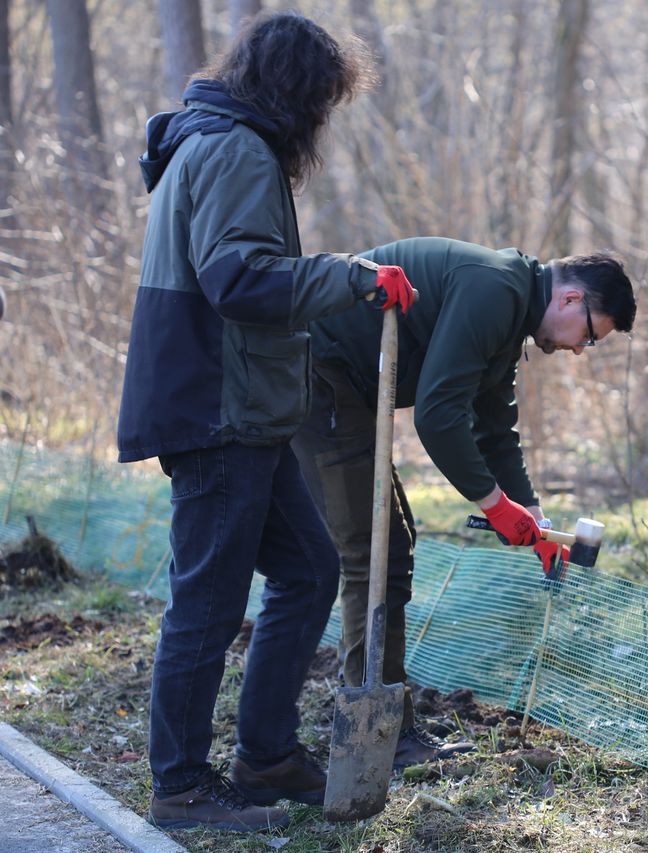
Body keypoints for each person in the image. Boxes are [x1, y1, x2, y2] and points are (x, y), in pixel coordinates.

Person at [116, 13, 417, 832]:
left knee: (310, 570)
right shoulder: (235, 150)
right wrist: (347, 277)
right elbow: (239, 280)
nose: (321, 120)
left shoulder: (214, 141)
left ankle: (266, 755)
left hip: (242, 406)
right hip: (217, 408)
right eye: (321, 100)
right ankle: (180, 788)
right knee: (206, 607)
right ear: (296, 94)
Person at [292, 238, 637, 767]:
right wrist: (495, 505)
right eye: (589, 336)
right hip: (320, 374)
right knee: (372, 553)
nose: (578, 350)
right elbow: (437, 414)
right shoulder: (495, 288)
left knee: (390, 552)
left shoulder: (511, 307)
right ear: (569, 300)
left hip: (347, 388)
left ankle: (384, 724)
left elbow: (496, 428)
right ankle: (372, 734)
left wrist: (535, 519)